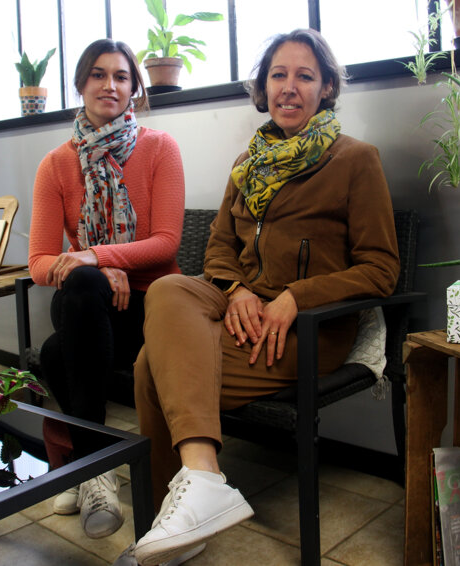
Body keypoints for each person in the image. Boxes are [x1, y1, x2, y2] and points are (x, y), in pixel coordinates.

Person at [126, 29, 401, 565]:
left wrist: (296, 296)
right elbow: (219, 248)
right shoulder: (247, 163)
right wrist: (236, 290)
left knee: (147, 369)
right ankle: (201, 485)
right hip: (240, 310)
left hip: (307, 331)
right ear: (263, 87)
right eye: (279, 75)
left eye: (305, 76)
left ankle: (182, 516)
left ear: (326, 89)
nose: (289, 87)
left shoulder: (355, 160)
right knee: (167, 287)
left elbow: (381, 270)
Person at [28, 38, 184, 541]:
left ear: (135, 89)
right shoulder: (56, 164)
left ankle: (83, 464)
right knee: (81, 289)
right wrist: (93, 271)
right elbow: (38, 262)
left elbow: (166, 244)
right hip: (92, 308)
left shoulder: (160, 148)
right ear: (80, 85)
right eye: (98, 74)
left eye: (121, 76)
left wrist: (98, 257)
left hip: (154, 310)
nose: (109, 85)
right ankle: (97, 472)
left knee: (55, 352)